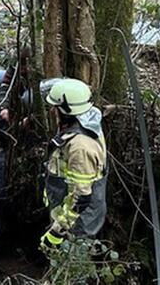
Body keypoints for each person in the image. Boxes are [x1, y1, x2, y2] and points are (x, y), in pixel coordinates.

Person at [40, 78, 108, 250]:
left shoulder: (80, 146)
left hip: (76, 223)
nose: (52, 111)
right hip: (65, 211)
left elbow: (81, 197)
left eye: (55, 108)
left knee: (72, 259)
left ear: (65, 110)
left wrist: (57, 231)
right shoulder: (83, 120)